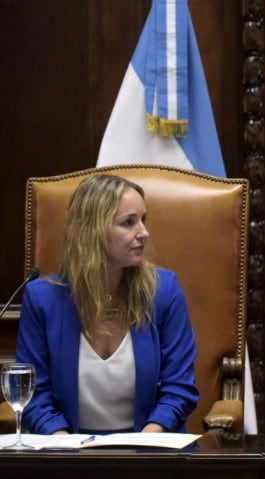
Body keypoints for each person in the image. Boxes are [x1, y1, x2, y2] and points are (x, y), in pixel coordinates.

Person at [16, 174, 199, 435]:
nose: (144, 233)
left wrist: (146, 443)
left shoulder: (163, 291)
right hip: (69, 456)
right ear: (89, 230)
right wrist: (65, 447)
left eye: (143, 220)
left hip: (152, 454)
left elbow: (179, 388)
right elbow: (35, 396)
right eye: (128, 223)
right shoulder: (42, 299)